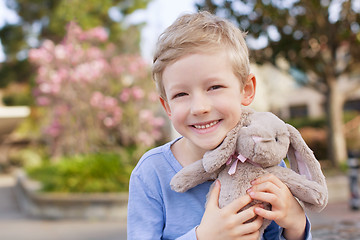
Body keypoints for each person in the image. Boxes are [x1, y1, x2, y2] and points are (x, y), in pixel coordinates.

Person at [127, 11, 311, 240]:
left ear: (246, 90)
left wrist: (296, 224)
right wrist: (202, 237)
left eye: (214, 87)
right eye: (181, 94)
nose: (199, 107)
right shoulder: (151, 173)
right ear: (167, 107)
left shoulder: (264, 155)